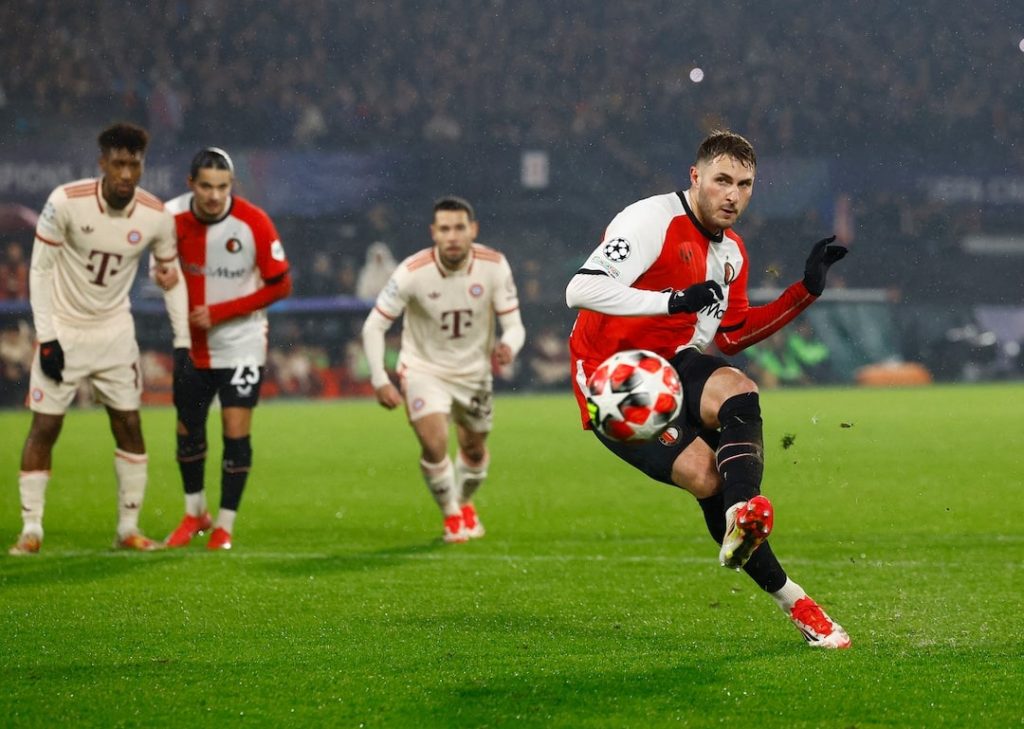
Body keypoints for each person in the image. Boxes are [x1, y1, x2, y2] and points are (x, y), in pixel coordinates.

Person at [565, 130, 852, 649]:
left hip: (673, 362)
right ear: (695, 178)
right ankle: (796, 600)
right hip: (614, 378)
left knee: (739, 390)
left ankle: (743, 518)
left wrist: (804, 291)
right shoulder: (649, 221)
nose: (733, 195)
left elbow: (734, 335)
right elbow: (580, 288)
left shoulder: (732, 253)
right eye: (722, 180)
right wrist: (673, 301)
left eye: (745, 185)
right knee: (705, 479)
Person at [9, 122, 189, 555]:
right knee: (45, 426)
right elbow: (40, 270)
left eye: (135, 164)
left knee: (128, 424)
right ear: (102, 163)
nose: (127, 173)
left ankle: (128, 528)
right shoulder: (65, 202)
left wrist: (182, 341)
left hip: (114, 333)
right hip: (65, 330)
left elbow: (170, 275)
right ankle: (31, 530)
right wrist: (47, 337)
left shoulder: (156, 216)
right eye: (119, 163)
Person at [361, 197, 525, 543]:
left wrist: (510, 344)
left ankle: (462, 502)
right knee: (434, 444)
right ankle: (451, 516)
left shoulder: (494, 265)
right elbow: (373, 326)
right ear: (434, 233)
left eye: (459, 228)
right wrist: (379, 378)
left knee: (475, 451)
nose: (452, 236)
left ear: (473, 230)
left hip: (475, 374)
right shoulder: (411, 272)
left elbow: (514, 325)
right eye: (445, 229)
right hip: (423, 370)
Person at [160, 148, 292, 551]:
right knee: (188, 429)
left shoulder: (253, 222)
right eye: (206, 186)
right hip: (190, 342)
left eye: (222, 186)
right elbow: (158, 261)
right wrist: (161, 272)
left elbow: (281, 284)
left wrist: (220, 312)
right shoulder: (169, 217)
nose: (215, 195)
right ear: (190, 184)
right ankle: (194, 512)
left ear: (231, 185)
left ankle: (225, 525)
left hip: (241, 345)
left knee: (235, 431)